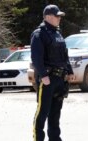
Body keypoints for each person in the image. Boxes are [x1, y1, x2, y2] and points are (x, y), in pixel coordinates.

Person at [31, 4, 74, 141]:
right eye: (57, 16)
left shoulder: (57, 33)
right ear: (48, 17)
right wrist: (43, 75)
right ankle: (38, 138)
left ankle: (55, 138)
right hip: (47, 78)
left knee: (55, 113)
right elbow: (36, 57)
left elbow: (64, 55)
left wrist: (69, 70)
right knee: (42, 112)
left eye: (60, 16)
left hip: (60, 78)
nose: (59, 18)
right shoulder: (39, 34)